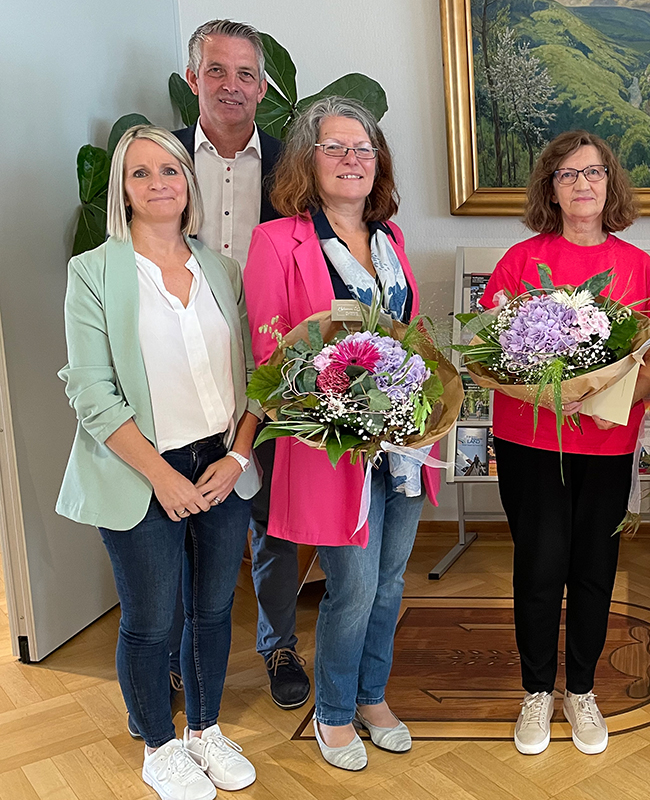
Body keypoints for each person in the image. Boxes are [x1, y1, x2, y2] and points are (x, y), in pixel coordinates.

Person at [57, 125, 259, 800]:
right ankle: (159, 744)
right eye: (140, 173)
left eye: (169, 170)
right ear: (123, 188)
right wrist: (161, 475)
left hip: (222, 464)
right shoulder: (94, 271)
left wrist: (237, 455)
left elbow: (257, 375)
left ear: (188, 182)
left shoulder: (221, 269)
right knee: (152, 619)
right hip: (141, 468)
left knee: (210, 611)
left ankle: (204, 730)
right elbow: (89, 389)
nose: (158, 183)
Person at [244, 97, 439, 771]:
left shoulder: (393, 237)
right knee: (352, 587)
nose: (352, 159)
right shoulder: (277, 241)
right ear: (309, 158)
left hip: (403, 444)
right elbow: (271, 357)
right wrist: (338, 402)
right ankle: (332, 712)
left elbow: (407, 334)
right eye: (336, 147)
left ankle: (371, 695)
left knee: (390, 583)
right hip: (334, 449)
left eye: (364, 149)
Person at [478, 130, 650, 757]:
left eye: (592, 173)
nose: (582, 184)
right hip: (531, 440)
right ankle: (538, 691)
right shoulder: (518, 262)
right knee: (539, 565)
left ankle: (580, 690)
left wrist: (611, 395)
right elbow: (496, 356)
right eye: (567, 175)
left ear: (609, 183)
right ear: (550, 188)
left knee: (594, 568)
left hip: (608, 444)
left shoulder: (637, 267)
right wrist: (555, 392)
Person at [168, 18, 309, 718]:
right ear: (193, 79)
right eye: (216, 71)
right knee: (181, 516)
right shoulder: (157, 161)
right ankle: (174, 659)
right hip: (179, 375)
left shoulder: (292, 168)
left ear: (262, 86)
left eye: (245, 74)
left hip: (270, 374)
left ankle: (278, 643)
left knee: (273, 519)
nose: (231, 85)